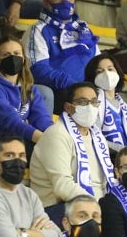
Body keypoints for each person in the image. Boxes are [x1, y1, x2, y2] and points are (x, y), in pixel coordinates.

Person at [31, 82, 113, 215]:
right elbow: (62, 186)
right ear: (68, 107)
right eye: (83, 102)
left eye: (93, 102)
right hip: (58, 208)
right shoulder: (56, 134)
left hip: (95, 207)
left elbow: (106, 183)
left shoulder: (98, 137)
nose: (90, 107)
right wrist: (99, 208)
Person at [24, 0, 100, 105]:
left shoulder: (84, 30)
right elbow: (37, 70)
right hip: (61, 93)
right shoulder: (37, 30)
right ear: (46, 2)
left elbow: (99, 63)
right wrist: (74, 86)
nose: (65, 1)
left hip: (89, 94)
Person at [0, 36, 52, 148]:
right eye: (6, 55)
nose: (13, 58)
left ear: (24, 58)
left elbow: (42, 118)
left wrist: (54, 136)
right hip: (3, 144)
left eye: (17, 53)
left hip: (25, 139)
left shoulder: (29, 87)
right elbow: (13, 123)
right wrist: (45, 140)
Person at [86, 53, 127, 152]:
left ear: (118, 72)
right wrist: (125, 152)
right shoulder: (92, 103)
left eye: (110, 69)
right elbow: (94, 137)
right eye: (99, 71)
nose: (106, 74)